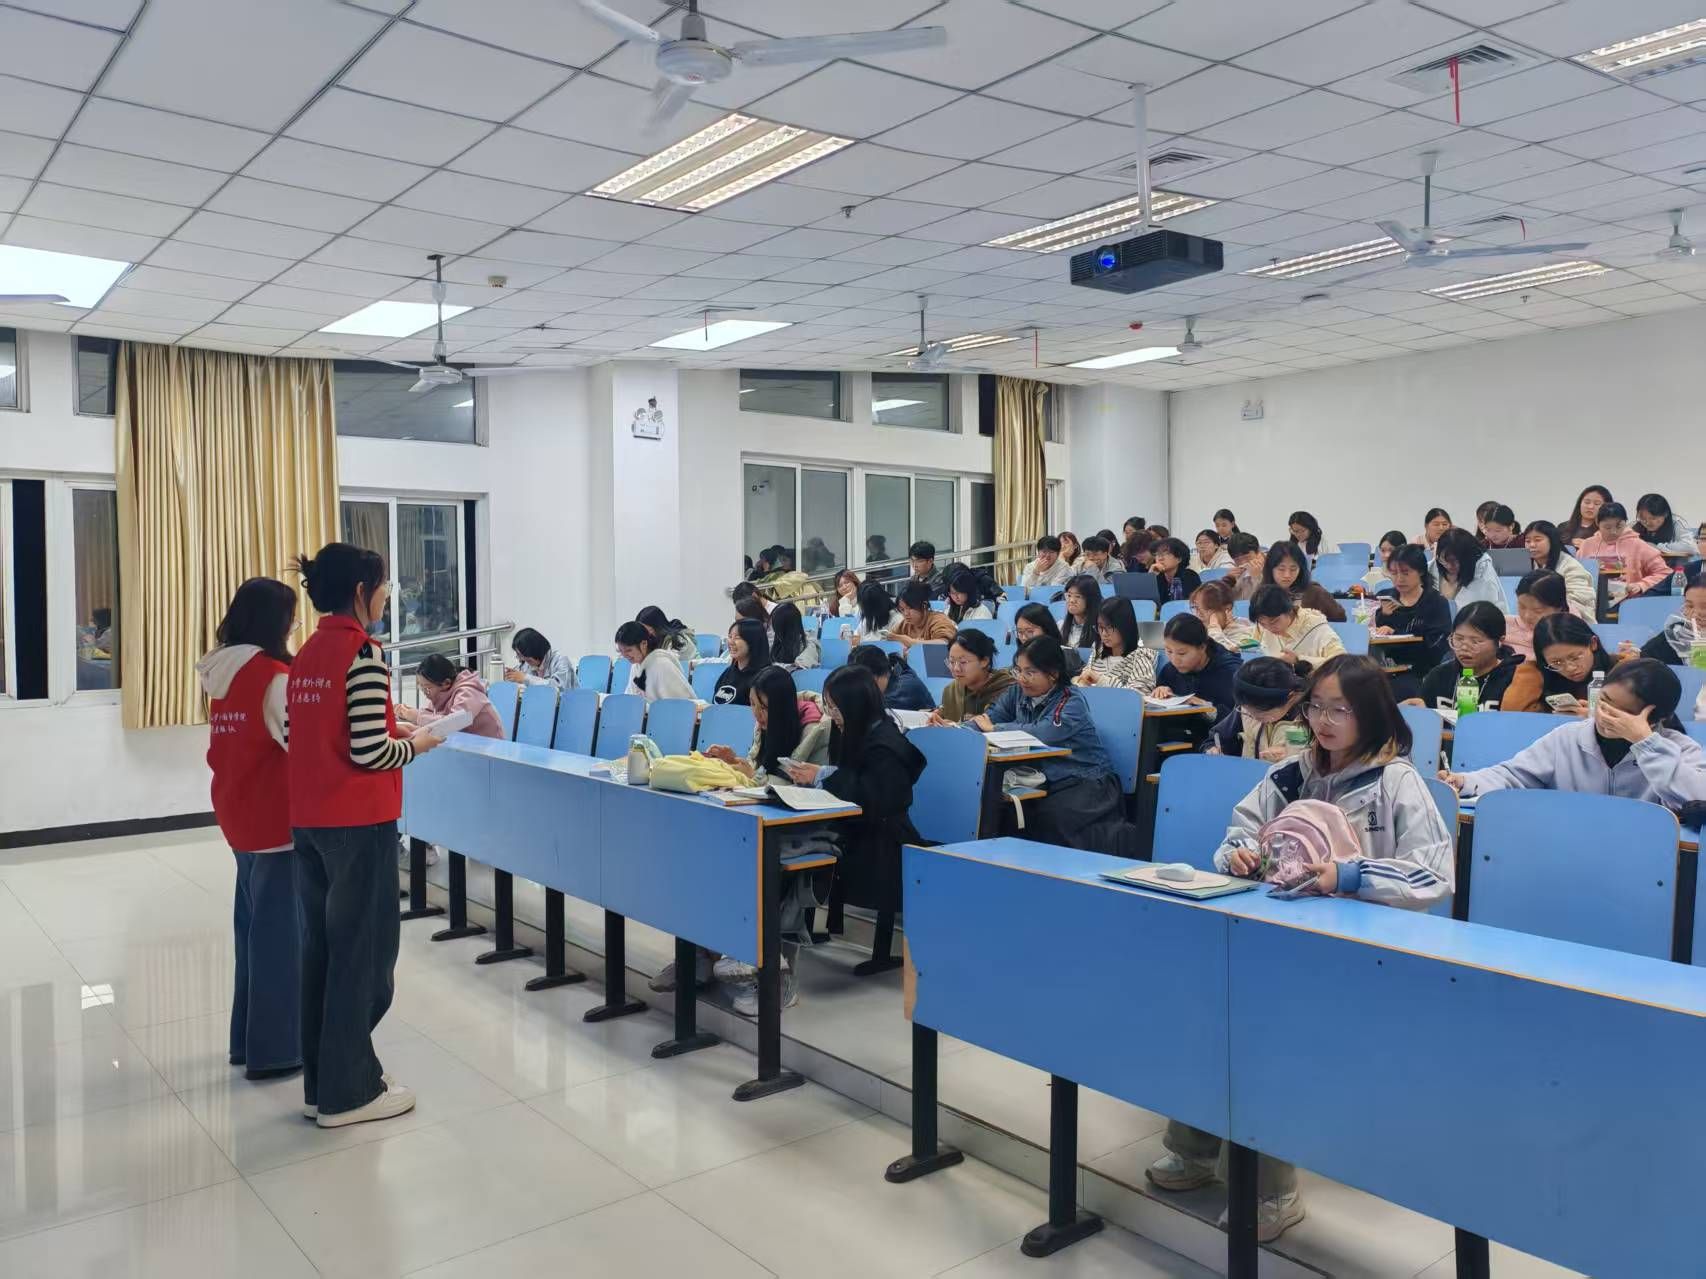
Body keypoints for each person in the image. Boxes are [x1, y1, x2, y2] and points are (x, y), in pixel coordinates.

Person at [1150, 654, 1452, 1236]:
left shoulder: (1397, 783)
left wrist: (1350, 875)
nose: (1324, 721)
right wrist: (1238, 856)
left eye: (1341, 710)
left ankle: (1272, 1191)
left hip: (1361, 948)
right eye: (1316, 707)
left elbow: (1433, 876)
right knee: (1211, 1006)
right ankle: (1194, 1149)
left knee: (1264, 1032)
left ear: (1372, 714)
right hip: (1280, 933)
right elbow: (1239, 832)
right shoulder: (1291, 773)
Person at [288, 543, 441, 1128]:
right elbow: (371, 751)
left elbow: (310, 734)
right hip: (358, 823)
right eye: (383, 587)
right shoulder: (364, 653)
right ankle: (349, 1093)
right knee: (363, 958)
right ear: (360, 591)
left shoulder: (307, 654)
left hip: (310, 822)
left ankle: (321, 1085)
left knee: (323, 953)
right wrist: (417, 744)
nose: (386, 597)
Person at [197, 578, 301, 1083]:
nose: (295, 624)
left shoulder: (223, 670)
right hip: (275, 819)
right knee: (280, 938)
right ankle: (276, 1050)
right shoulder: (273, 676)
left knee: (253, 929)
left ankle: (246, 1040)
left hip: (238, 811)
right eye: (291, 616)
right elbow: (299, 745)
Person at [784, 664, 925, 975]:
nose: (831, 714)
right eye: (828, 706)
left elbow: (873, 796)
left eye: (836, 707)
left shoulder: (886, 742)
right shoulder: (851, 729)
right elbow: (849, 778)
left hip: (885, 834)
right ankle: (790, 926)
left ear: (856, 705)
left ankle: (791, 927)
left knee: (807, 848)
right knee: (792, 844)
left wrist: (821, 775)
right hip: (856, 824)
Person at [1442, 660, 1706, 811]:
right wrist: (1465, 781)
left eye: (1623, 712)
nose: (1605, 715)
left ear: (1655, 718)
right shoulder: (1569, 737)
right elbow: (1513, 775)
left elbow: (1697, 798)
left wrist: (1646, 744)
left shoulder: (1679, 749)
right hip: (1568, 844)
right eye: (1604, 701)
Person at [969, 636, 1122, 850]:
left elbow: (1044, 733)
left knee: (1048, 817)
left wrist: (995, 729)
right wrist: (957, 729)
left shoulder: (1070, 700)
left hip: (1086, 780)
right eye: (1018, 670)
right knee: (999, 809)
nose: (1022, 678)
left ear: (1053, 673)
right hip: (1044, 779)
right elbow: (988, 719)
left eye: (1030, 672)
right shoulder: (1016, 692)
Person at [705, 665, 831, 785]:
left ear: (781, 708)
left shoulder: (817, 733)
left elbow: (807, 789)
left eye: (764, 707)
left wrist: (753, 776)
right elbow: (758, 768)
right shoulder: (764, 724)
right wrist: (734, 761)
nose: (756, 713)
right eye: (752, 704)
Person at [1410, 601, 1523, 711]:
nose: (1464, 648)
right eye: (1459, 639)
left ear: (1500, 641)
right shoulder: (1439, 676)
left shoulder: (1514, 679)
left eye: (1475, 641)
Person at [1503, 613, 1615, 716]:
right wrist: (1531, 673)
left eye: (1575, 657)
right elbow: (1512, 715)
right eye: (1556, 662)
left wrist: (1596, 718)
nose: (1570, 668)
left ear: (1593, 643)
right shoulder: (1538, 675)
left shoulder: (1619, 671)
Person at [1205, 656, 1310, 762]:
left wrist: (1288, 755)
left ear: (1290, 697)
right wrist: (1211, 748)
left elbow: (1307, 758)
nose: (1253, 718)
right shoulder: (1247, 707)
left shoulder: (1306, 719)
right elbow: (1218, 737)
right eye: (1248, 712)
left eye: (1261, 716)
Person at [1373, 544, 1452, 674]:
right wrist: (1383, 616)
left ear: (1421, 571)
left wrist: (1395, 633)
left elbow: (1436, 646)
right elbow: (1370, 634)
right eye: (1394, 573)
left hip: (1420, 670)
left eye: (1406, 573)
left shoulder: (1435, 602)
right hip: (1382, 669)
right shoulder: (1384, 598)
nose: (1399, 579)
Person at [397, 653, 507, 738]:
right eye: (421, 687)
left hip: (490, 749)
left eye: (427, 688)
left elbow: (454, 724)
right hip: (465, 744)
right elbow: (432, 717)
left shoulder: (468, 692)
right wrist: (407, 716)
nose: (424, 692)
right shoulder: (440, 693)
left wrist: (417, 717)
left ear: (446, 683)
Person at [1153, 614, 1241, 718]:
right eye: (1169, 651)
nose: (1174, 660)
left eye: (1182, 653)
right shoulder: (1170, 670)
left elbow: (1240, 717)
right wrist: (1160, 692)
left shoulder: (1230, 672)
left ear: (1202, 647)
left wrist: (1209, 709)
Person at [1576, 502, 1668, 599]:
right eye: (1607, 527)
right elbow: (1575, 573)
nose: (1613, 532)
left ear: (1625, 523)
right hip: (1591, 600)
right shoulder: (1587, 545)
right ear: (1597, 523)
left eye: (1619, 526)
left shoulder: (1637, 545)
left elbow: (1664, 573)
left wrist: (1641, 585)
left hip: (1628, 601)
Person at [1248, 584, 1346, 675]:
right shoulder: (1262, 627)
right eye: (1262, 624)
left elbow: (1342, 663)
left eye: (1274, 621)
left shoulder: (1317, 628)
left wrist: (1298, 660)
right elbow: (1250, 644)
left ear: (1289, 610)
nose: (1269, 628)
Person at [929, 629, 1016, 723]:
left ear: (984, 661)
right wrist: (938, 717)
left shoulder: (1007, 690)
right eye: (952, 662)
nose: (956, 668)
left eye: (963, 662)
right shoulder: (950, 690)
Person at [1077, 596, 1158, 692]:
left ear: (1125, 626)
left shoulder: (1140, 658)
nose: (1104, 633)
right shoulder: (1097, 653)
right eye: (1100, 627)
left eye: (1109, 627)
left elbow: (1139, 693)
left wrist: (1100, 680)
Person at [1522, 520, 1596, 620]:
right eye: (1528, 541)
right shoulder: (1529, 565)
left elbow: (1578, 602)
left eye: (1537, 540)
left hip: (1571, 621)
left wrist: (1543, 608)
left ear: (1552, 540)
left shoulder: (1571, 567)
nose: (1532, 545)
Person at [1632, 572, 1706, 665]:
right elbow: (1640, 663)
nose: (1695, 614)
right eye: (1690, 606)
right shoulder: (1674, 637)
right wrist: (1630, 657)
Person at [613, 620, 694, 701]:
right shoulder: (636, 666)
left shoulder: (662, 664)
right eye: (621, 651)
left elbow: (679, 703)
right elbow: (630, 698)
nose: (624, 655)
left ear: (644, 644)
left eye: (628, 650)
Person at [1264, 541, 1346, 621]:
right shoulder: (1263, 593)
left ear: (1300, 569)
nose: (1287, 575)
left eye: (1293, 569)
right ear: (1270, 569)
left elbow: (1340, 618)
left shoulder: (1315, 592)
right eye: (1281, 569)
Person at [1434, 527, 1510, 610]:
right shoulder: (1433, 567)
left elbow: (1481, 613)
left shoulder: (1484, 577)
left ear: (1468, 557)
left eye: (1454, 561)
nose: (1449, 566)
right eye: (1443, 560)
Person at [848, 642, 935, 713]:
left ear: (884, 674)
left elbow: (873, 712)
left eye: (869, 682)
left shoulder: (903, 689)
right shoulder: (894, 671)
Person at [1505, 570, 1570, 660]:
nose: (1527, 616)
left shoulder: (1570, 636)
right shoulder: (1503, 625)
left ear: (1559, 608)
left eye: (1538, 611)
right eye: (1522, 606)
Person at [1016, 602, 1085, 679]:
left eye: (1030, 631)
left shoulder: (1067, 655)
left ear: (1046, 629)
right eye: (1020, 632)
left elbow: (1079, 683)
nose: (1024, 638)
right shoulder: (1020, 657)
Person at [887, 580, 957, 650]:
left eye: (910, 608)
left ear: (924, 605)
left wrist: (911, 642)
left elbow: (944, 643)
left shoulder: (938, 620)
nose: (906, 613)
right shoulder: (904, 624)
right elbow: (889, 639)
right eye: (902, 609)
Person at [714, 618, 769, 706]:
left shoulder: (764, 678)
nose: (731, 642)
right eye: (730, 636)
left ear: (753, 641)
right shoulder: (728, 672)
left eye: (737, 638)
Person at [1191, 578, 1256, 651]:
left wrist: (1214, 627)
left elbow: (1225, 653)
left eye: (1207, 608)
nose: (1198, 614)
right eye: (1195, 607)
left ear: (1227, 610)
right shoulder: (1199, 630)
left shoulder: (1243, 629)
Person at [506, 627, 576, 690]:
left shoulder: (561, 661)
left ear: (535, 651)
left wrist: (525, 678)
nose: (521, 659)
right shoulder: (527, 664)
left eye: (522, 656)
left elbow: (559, 688)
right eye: (519, 655)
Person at [769, 601, 820, 670]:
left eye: (776, 629)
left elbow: (801, 668)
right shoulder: (777, 642)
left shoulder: (809, 645)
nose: (774, 631)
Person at [1559, 484, 1613, 548]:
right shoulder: (1563, 527)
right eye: (1587, 502)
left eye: (1597, 503)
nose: (1590, 507)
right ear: (1580, 503)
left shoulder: (1611, 531)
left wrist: (1590, 547)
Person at [1152, 537, 1201, 603]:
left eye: (1166, 554)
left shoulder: (1190, 576)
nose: (1160, 558)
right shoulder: (1156, 576)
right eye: (1158, 554)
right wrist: (1151, 577)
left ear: (1179, 559)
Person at [1060, 574, 1102, 649]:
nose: (1072, 600)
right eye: (1069, 595)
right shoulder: (1060, 626)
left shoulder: (1100, 630)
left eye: (1078, 596)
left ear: (1091, 599)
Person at [1226, 532, 1266, 601]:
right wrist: (1229, 582)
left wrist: (1256, 578)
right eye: (1237, 560)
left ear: (1258, 551)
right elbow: (1226, 601)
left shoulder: (1271, 569)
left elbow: (1263, 601)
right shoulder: (1237, 573)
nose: (1243, 563)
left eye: (1247, 557)